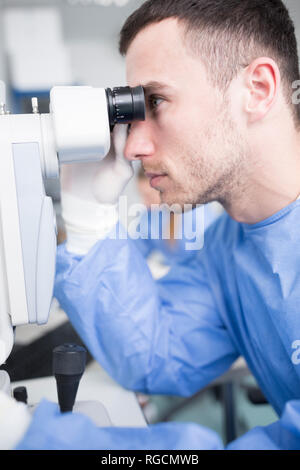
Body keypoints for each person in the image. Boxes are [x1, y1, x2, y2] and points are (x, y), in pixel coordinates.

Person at [12, 0, 300, 449]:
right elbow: (155, 355)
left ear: (258, 89)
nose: (132, 147)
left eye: (157, 101)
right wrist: (89, 221)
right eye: (135, 114)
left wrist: (32, 437)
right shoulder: (228, 247)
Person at [133, 166, 220, 271]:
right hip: (170, 277)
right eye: (142, 196)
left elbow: (210, 261)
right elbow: (135, 251)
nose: (145, 203)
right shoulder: (151, 214)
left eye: (149, 196)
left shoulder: (197, 212)